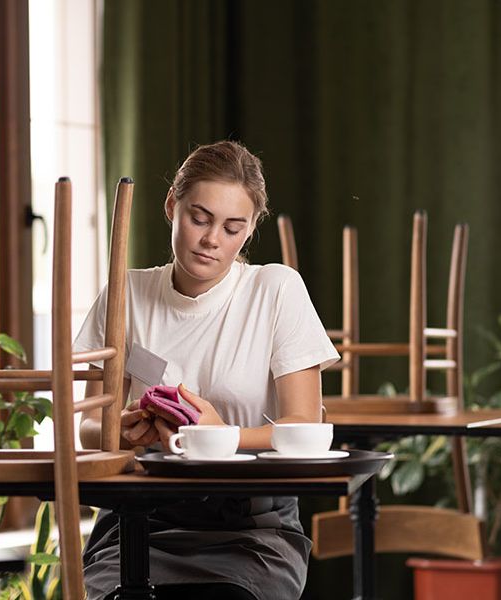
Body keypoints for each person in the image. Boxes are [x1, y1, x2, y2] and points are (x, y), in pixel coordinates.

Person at [75, 140, 339, 600]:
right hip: (139, 520)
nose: (212, 239)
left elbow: (305, 426)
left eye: (233, 227)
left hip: (253, 529)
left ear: (250, 229)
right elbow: (89, 427)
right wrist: (122, 428)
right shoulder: (126, 294)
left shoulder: (274, 289)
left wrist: (221, 437)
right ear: (171, 205)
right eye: (199, 218)